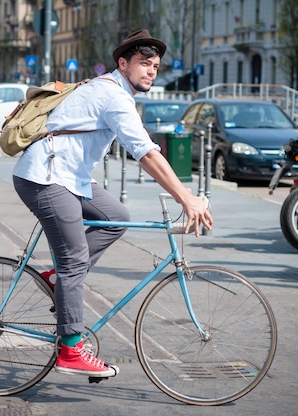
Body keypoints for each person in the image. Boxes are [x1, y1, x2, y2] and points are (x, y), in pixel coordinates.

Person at [12, 29, 214, 379]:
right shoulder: (114, 96)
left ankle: (59, 278)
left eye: (156, 66)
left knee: (116, 217)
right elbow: (146, 153)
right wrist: (187, 198)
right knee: (75, 258)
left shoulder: (113, 89)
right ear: (123, 63)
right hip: (45, 177)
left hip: (67, 175)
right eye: (143, 64)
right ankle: (71, 349)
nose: (151, 71)